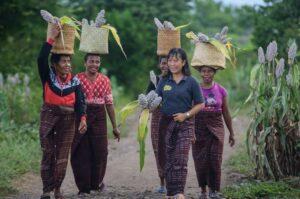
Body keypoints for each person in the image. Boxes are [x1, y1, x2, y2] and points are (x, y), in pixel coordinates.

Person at [37, 25, 87, 199]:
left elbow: (80, 102)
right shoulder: (47, 76)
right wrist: (50, 39)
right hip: (49, 116)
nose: (68, 65)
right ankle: (46, 189)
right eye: (64, 61)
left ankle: (57, 189)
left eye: (69, 61)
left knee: (63, 154)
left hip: (68, 119)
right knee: (48, 151)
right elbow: (41, 58)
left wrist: (82, 118)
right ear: (55, 64)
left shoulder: (75, 82)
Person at [155, 48, 205, 199]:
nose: (172, 63)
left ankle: (179, 192)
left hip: (185, 125)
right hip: (166, 125)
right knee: (168, 159)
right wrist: (148, 105)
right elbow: (157, 101)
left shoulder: (191, 82)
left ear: (183, 62)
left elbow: (200, 104)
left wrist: (186, 115)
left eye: (176, 60)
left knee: (181, 158)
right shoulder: (164, 81)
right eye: (170, 60)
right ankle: (171, 192)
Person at [71, 53, 121, 195]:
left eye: (97, 62)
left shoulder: (105, 80)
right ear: (85, 63)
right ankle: (83, 187)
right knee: (81, 151)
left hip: (99, 116)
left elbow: (109, 104)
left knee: (100, 151)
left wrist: (114, 126)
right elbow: (72, 101)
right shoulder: (77, 79)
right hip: (81, 116)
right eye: (91, 61)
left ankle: (96, 183)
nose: (94, 64)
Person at [192, 66, 235, 199]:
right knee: (200, 159)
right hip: (198, 127)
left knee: (215, 159)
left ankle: (213, 190)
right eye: (204, 71)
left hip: (217, 127)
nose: (206, 74)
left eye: (210, 71)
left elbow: (226, 113)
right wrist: (190, 131)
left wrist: (231, 133)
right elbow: (191, 111)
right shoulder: (195, 90)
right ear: (200, 73)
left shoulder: (221, 90)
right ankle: (203, 191)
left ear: (214, 72)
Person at [146, 56, 168, 193]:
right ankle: (162, 183)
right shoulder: (155, 80)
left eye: (168, 62)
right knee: (158, 149)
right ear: (159, 65)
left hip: (173, 118)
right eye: (163, 63)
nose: (165, 66)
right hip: (157, 118)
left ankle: (174, 182)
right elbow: (147, 99)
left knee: (171, 150)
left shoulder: (177, 80)